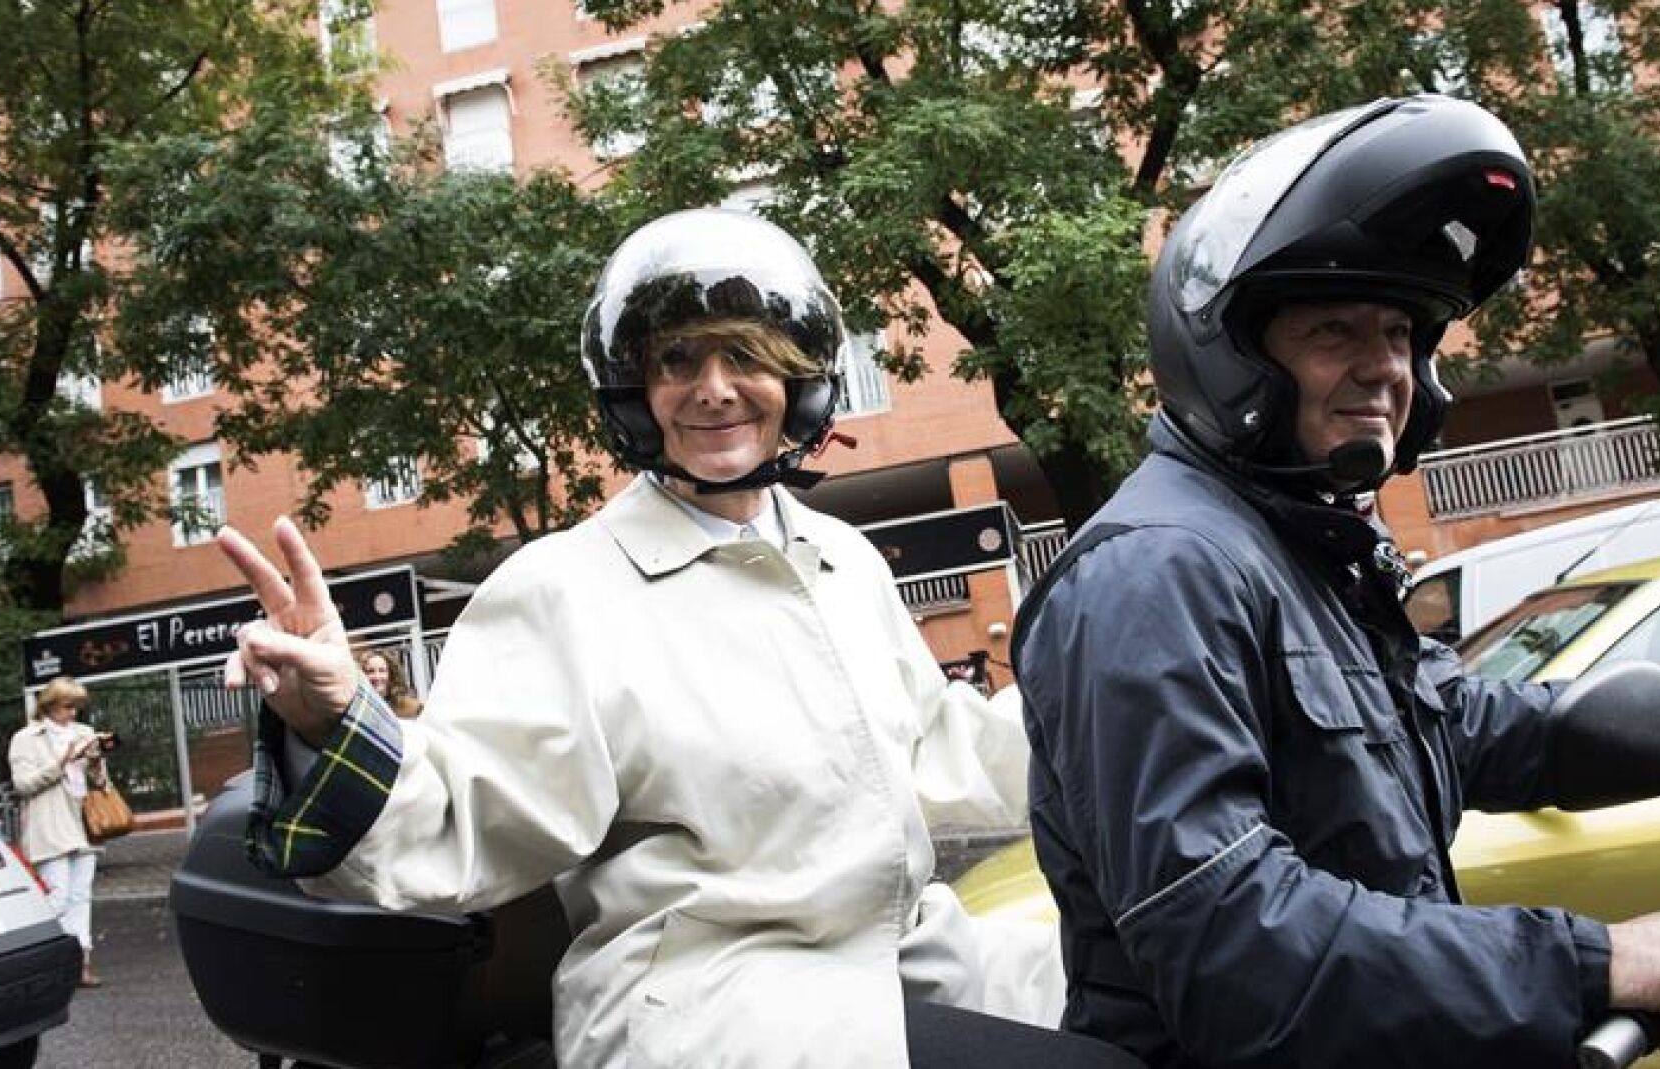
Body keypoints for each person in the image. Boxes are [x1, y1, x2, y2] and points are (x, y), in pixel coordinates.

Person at [215, 209, 1142, 1068]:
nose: (715, 389)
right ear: (636, 393)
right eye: (677, 361)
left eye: (746, 355)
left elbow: (936, 742)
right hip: (717, 1008)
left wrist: (1133, 712)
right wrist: (334, 721)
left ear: (797, 378)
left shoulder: (840, 559)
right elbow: (464, 805)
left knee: (1157, 996)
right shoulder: (566, 589)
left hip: (901, 957)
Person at [1014, 96, 1660, 1069]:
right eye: (1334, 331)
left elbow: (1451, 725)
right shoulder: (1156, 571)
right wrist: (1587, 960)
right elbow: (1225, 935)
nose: (1384, 368)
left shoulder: (1306, 552)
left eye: (1399, 332)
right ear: (1235, 359)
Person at [8, 676, 110, 988]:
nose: (73, 713)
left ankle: (80, 964)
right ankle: (41, 964)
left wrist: (96, 761)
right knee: (58, 898)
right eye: (67, 706)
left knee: (81, 897)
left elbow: (100, 783)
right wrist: (61, 761)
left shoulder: (84, 733)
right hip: (49, 826)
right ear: (49, 706)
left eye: (77, 707)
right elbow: (23, 785)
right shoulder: (26, 738)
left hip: (81, 824)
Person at [354, 647, 422, 718]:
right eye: (370, 671)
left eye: (382, 671)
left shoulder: (412, 707)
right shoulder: (358, 708)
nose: (377, 677)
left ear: (391, 674)